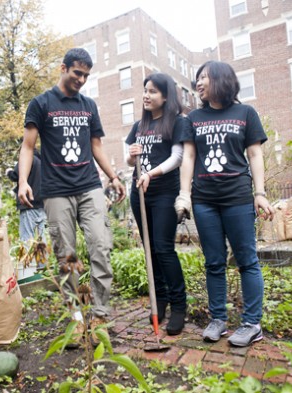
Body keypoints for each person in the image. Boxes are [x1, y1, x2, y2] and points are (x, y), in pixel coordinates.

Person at [17, 48, 126, 345]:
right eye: (77, 73)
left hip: (89, 186)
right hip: (56, 191)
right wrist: (23, 181)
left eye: (86, 75)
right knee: (68, 258)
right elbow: (28, 146)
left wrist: (113, 177)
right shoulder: (41, 104)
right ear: (63, 68)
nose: (81, 80)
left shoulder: (89, 105)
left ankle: (100, 314)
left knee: (101, 248)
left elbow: (96, 146)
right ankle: (76, 319)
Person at [175, 60, 274, 347]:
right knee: (214, 262)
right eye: (197, 78)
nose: (199, 83)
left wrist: (260, 193)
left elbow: (255, 154)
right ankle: (218, 319)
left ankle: (252, 324)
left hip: (237, 197)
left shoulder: (245, 112)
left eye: (204, 77)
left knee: (247, 260)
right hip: (205, 199)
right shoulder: (193, 118)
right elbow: (189, 157)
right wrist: (184, 194)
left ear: (221, 79)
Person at [125, 72, 187, 336]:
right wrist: (130, 156)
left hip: (164, 193)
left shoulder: (177, 122)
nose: (146, 95)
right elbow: (129, 161)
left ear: (165, 96)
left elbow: (178, 157)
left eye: (152, 91)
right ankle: (159, 300)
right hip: (139, 193)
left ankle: (179, 305)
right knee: (149, 249)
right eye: (145, 91)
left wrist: (151, 173)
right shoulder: (139, 126)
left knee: (163, 248)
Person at [6, 148, 47, 269]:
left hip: (28, 203)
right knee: (41, 238)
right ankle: (43, 267)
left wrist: (8, 171)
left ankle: (27, 270)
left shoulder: (26, 159)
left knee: (26, 237)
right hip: (42, 205)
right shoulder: (41, 162)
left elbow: (16, 175)